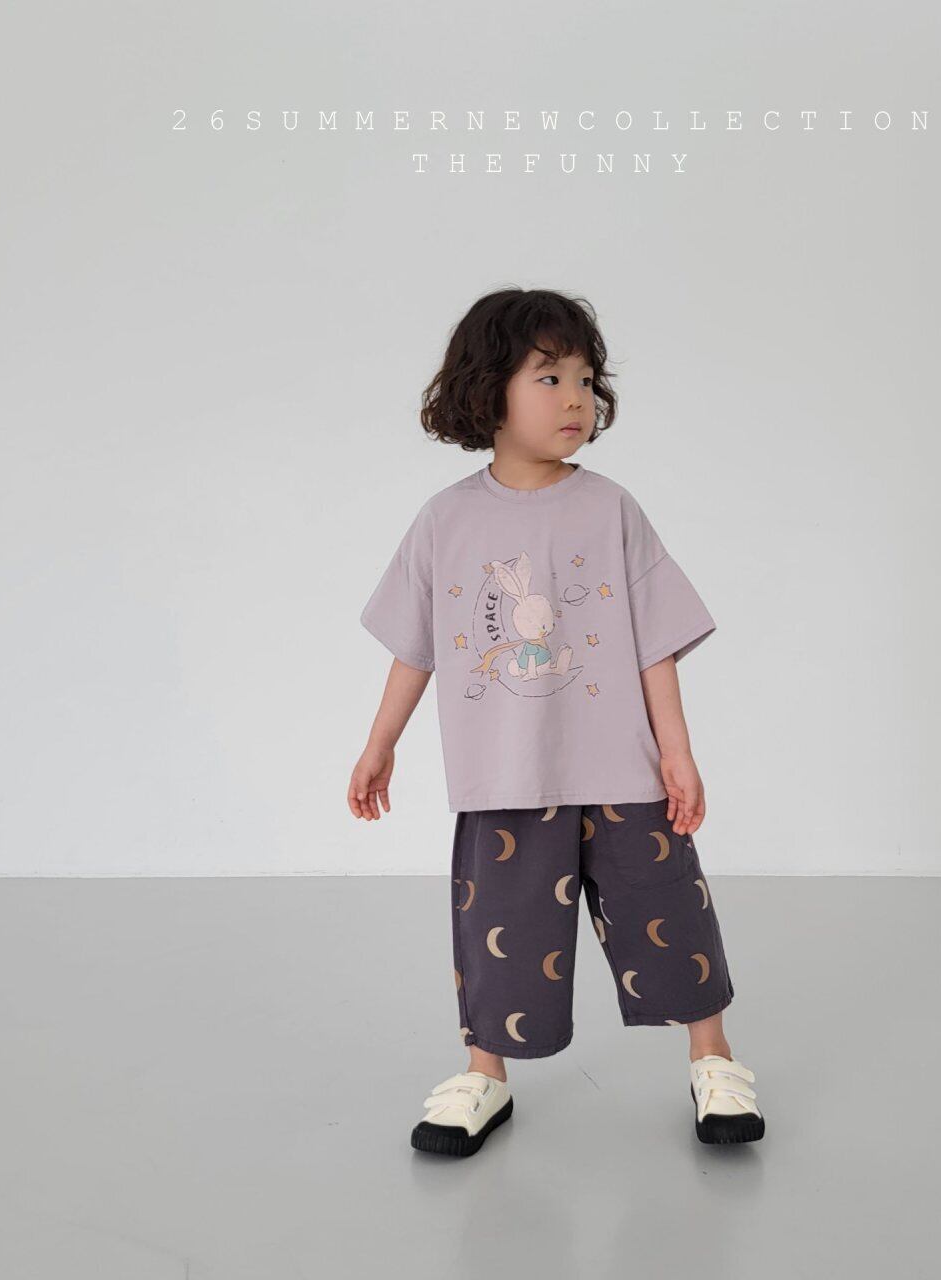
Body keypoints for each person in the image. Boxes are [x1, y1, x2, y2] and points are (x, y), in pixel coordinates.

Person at [349, 287, 765, 1157]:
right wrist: (379, 744)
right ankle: (485, 1073)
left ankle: (714, 1057)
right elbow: (415, 646)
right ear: (489, 390)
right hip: (504, 776)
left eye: (583, 378)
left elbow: (654, 643)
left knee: (670, 911)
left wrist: (678, 755)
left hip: (622, 768)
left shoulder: (611, 508)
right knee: (501, 928)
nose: (575, 397)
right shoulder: (446, 519)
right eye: (549, 378)